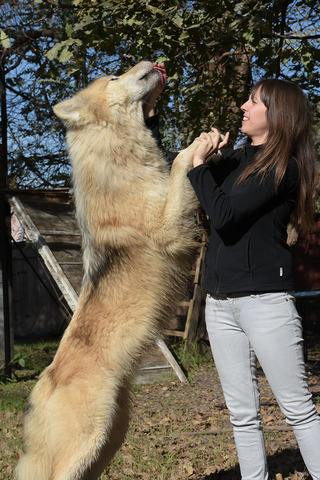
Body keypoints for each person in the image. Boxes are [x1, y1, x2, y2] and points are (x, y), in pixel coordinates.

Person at [145, 64, 320, 479]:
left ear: (276, 115)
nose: (243, 106)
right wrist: (152, 113)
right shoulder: (239, 159)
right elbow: (171, 168)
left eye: (253, 101)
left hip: (266, 304)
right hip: (221, 305)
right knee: (242, 413)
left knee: (297, 408)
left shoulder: (284, 168)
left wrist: (202, 166)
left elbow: (223, 215)